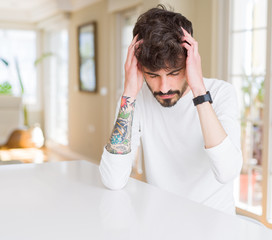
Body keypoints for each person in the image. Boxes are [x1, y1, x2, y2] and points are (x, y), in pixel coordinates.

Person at [99, 5, 242, 215]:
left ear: (190, 62)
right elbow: (113, 180)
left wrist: (199, 91)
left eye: (174, 73)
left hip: (215, 225)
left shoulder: (221, 93)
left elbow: (226, 172)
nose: (164, 88)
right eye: (153, 75)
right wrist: (129, 93)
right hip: (162, 222)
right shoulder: (133, 100)